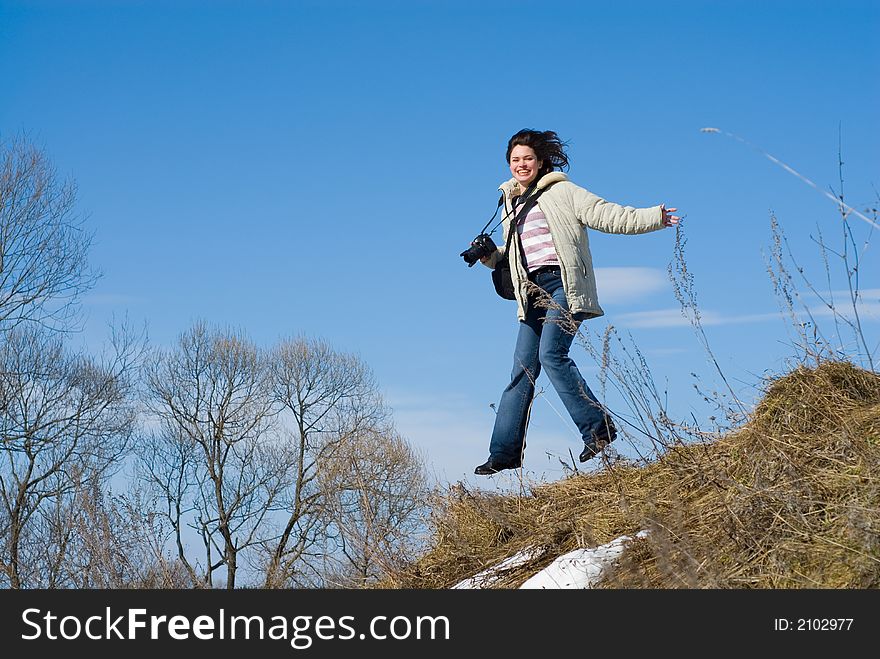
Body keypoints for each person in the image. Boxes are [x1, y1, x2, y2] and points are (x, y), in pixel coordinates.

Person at [470, 129, 680, 476]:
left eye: (527, 158)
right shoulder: (511, 203)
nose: (521, 165)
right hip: (531, 293)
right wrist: (490, 255)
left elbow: (608, 214)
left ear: (540, 161)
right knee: (521, 371)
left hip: (564, 285)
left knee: (552, 355)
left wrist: (654, 217)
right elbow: (517, 255)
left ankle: (598, 430)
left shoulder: (563, 192)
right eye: (515, 160)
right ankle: (504, 453)